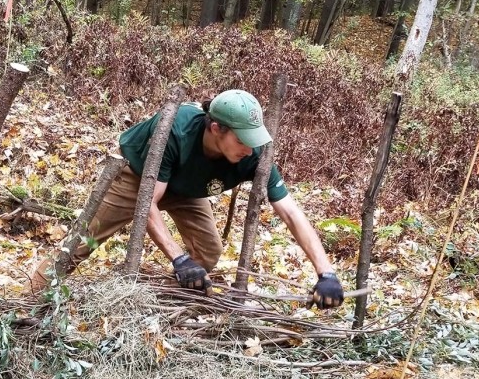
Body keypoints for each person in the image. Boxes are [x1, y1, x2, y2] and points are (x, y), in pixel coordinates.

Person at [31, 89, 344, 309]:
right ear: (216, 127)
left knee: (207, 252)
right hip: (139, 179)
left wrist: (326, 272)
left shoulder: (253, 153)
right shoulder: (176, 132)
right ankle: (29, 302)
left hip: (188, 188)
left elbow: (289, 210)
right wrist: (178, 258)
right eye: (241, 140)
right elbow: (147, 203)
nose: (249, 150)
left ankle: (159, 301)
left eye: (253, 141)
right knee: (85, 241)